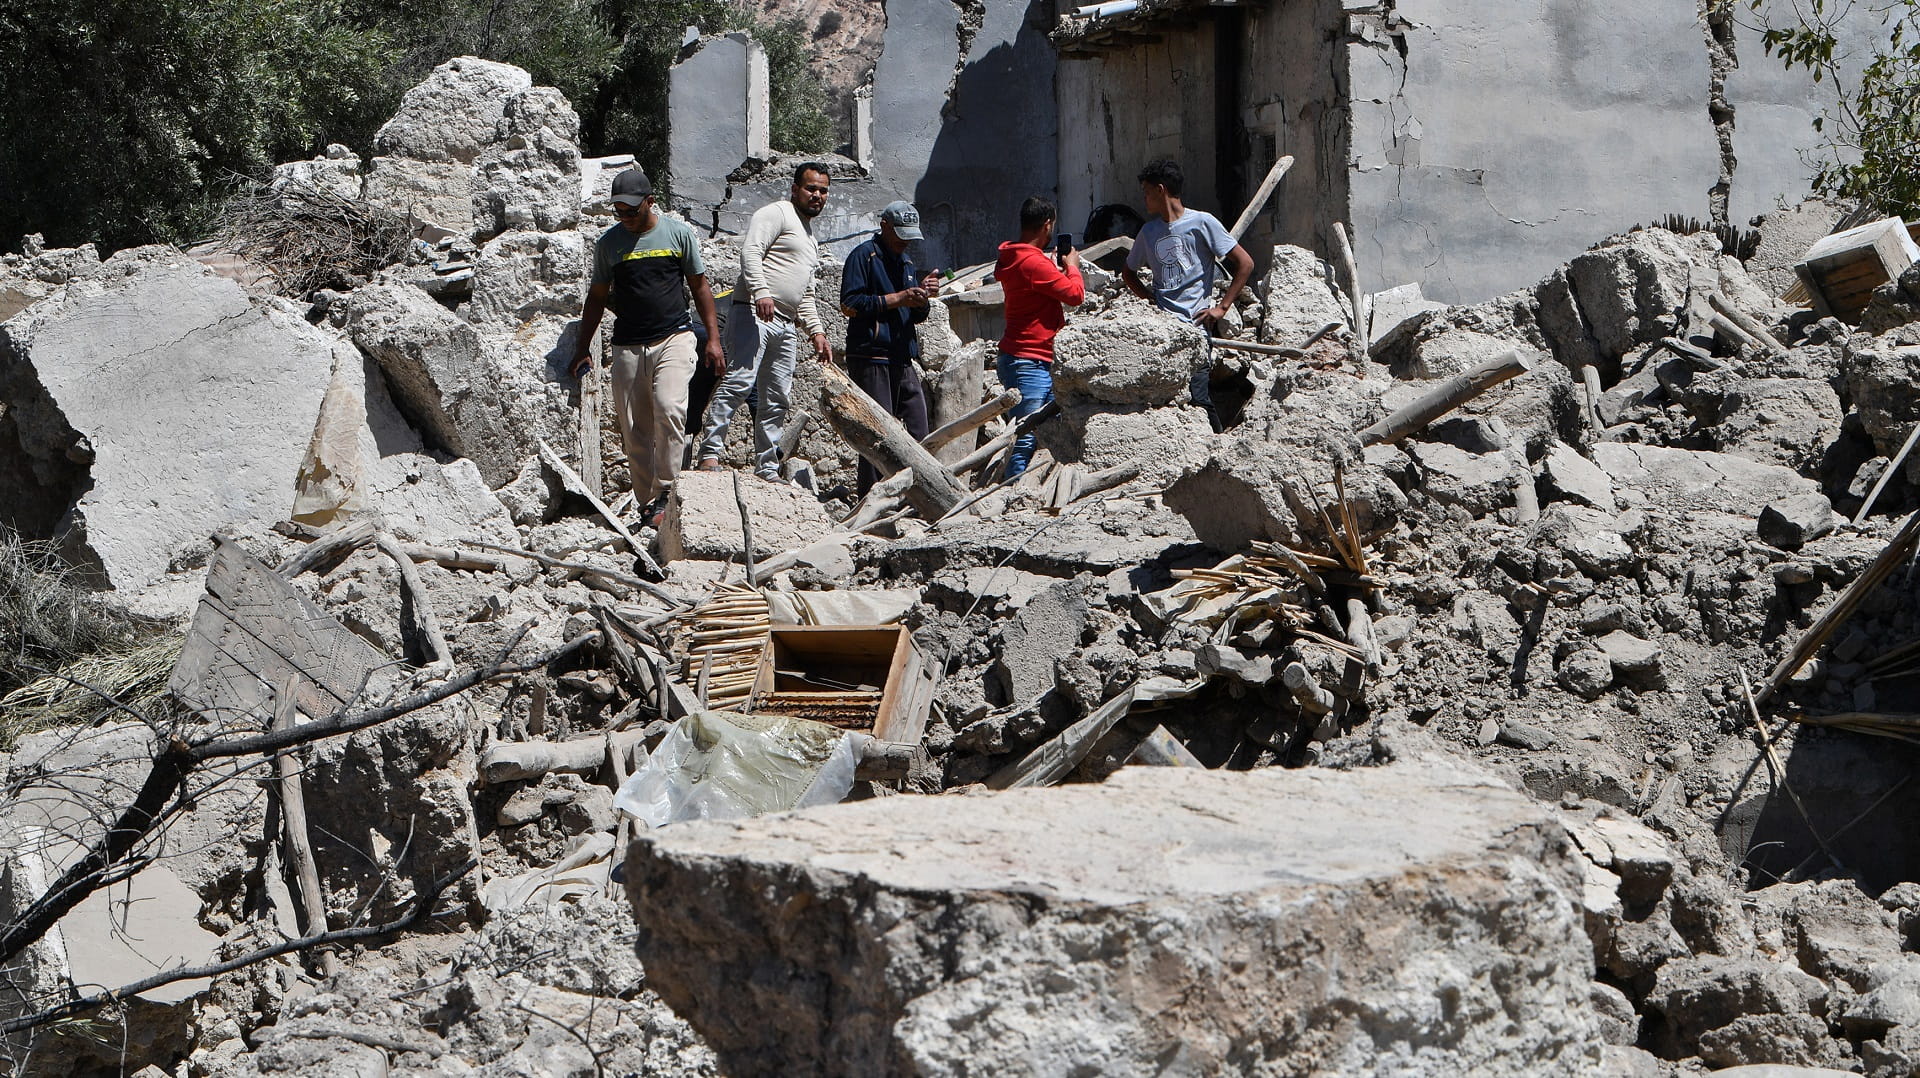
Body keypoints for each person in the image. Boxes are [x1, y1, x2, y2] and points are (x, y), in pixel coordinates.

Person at [571, 167, 723, 524]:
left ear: (650, 202)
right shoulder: (609, 245)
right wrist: (582, 347)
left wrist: (714, 339)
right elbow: (597, 298)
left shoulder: (678, 235)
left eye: (631, 210)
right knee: (634, 427)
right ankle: (647, 501)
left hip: (674, 337)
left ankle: (668, 491)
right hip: (628, 345)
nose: (624, 217)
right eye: (618, 211)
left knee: (669, 408)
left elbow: (700, 287)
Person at [694, 162, 833, 480]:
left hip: (785, 324)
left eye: (823, 191)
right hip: (753, 312)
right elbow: (751, 253)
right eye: (811, 188)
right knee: (739, 383)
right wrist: (761, 292)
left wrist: (816, 331)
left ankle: (767, 467)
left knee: (777, 397)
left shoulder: (810, 238)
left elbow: (806, 293)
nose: (817, 195)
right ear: (795, 189)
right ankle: (710, 454)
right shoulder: (777, 213)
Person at [1122, 158, 1255, 432]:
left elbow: (1245, 263)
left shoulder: (1202, 223)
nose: (1144, 199)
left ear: (1160, 189)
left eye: (1146, 192)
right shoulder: (1148, 233)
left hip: (1195, 331)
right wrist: (1150, 300)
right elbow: (1128, 273)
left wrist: (1222, 308)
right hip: (1162, 334)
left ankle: (1217, 446)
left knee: (1198, 398)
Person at [840, 200, 939, 494]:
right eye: (900, 234)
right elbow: (850, 304)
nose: (905, 242)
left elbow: (915, 315)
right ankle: (870, 498)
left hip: (902, 357)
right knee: (877, 433)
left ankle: (921, 494)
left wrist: (922, 299)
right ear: (884, 226)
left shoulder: (905, 263)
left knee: (919, 428)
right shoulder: (863, 257)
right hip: (871, 356)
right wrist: (898, 298)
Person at [994, 196, 1084, 479]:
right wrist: (1072, 266)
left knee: (1041, 434)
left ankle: (1028, 489)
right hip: (1030, 361)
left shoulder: (1016, 257)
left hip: (1030, 358)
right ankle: (1013, 494)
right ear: (1047, 224)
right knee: (1024, 438)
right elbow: (1075, 295)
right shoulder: (1033, 262)